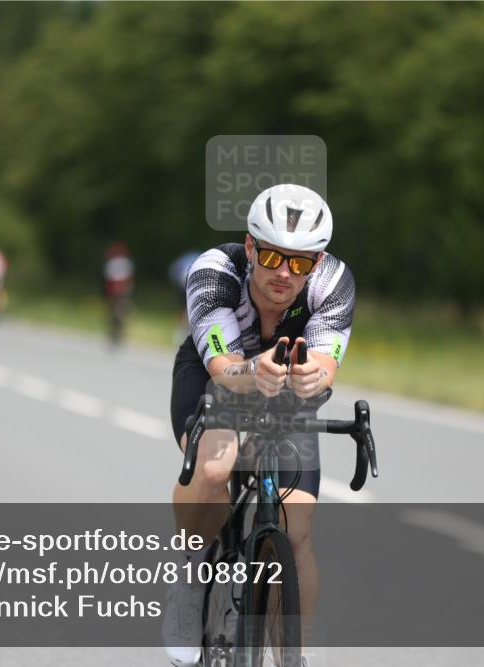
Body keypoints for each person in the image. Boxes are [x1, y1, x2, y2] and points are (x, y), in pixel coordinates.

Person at [163, 184, 355, 666]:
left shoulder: (333, 282)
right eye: (272, 256)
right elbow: (224, 368)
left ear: (318, 260)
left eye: (301, 261)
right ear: (250, 247)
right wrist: (254, 371)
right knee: (213, 469)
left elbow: (326, 365)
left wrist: (312, 377)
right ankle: (189, 578)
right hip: (220, 375)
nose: (285, 273)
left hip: (286, 386)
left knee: (297, 531)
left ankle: (294, 654)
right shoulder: (214, 272)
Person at [103, 241, 134, 348]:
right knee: (116, 314)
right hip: (116, 292)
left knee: (118, 313)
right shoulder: (122, 262)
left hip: (120, 292)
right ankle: (115, 336)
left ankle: (117, 336)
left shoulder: (116, 262)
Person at [168, 250, 199, 344]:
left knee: (187, 309)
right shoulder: (198, 259)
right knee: (185, 309)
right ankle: (181, 334)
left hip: (188, 283)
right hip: (184, 283)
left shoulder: (185, 260)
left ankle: (184, 335)